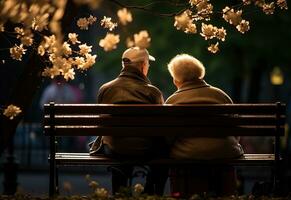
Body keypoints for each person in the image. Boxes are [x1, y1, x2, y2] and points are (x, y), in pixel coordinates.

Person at [89, 47, 168, 195]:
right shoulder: (153, 92)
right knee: (163, 151)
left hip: (115, 149)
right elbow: (161, 126)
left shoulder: (105, 89)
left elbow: (103, 122)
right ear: (143, 66)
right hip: (146, 149)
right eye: (148, 65)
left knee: (118, 144)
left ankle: (120, 193)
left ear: (123, 65)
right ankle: (151, 193)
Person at [165, 54, 244, 196]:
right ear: (200, 74)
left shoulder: (173, 100)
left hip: (188, 154)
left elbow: (167, 137)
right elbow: (236, 130)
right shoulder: (220, 95)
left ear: (176, 80)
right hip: (224, 152)